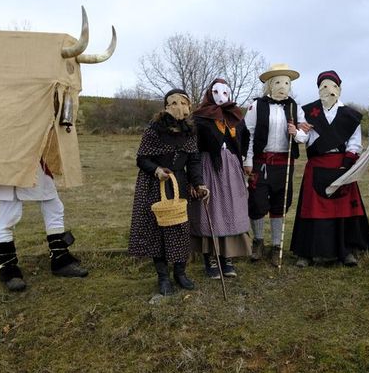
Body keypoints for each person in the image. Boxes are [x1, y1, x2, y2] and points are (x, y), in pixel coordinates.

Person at [129, 89, 209, 296]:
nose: (178, 107)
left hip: (179, 185)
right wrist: (156, 170)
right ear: (165, 107)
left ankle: (180, 274)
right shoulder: (154, 130)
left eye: (182, 103)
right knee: (158, 232)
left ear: (189, 107)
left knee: (181, 230)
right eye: (172, 103)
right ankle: (163, 277)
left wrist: (199, 184)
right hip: (155, 184)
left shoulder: (190, 132)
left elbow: (193, 161)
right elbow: (142, 158)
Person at [289, 71, 369, 267]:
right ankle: (307, 253)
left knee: (342, 209)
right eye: (324, 86)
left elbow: (355, 144)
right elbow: (304, 138)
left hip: (342, 165)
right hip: (317, 164)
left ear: (339, 89)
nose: (329, 90)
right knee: (312, 210)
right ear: (318, 89)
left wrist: (347, 164)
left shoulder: (350, 115)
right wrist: (296, 132)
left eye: (333, 86)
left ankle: (346, 252)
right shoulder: (308, 111)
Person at [242, 63, 308, 267]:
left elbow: (304, 136)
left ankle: (277, 245)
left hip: (284, 163)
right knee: (258, 202)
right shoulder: (256, 106)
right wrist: (248, 160)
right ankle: (259, 241)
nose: (283, 86)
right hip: (261, 163)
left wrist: (295, 132)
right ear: (270, 84)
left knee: (281, 202)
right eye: (278, 82)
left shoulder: (294, 107)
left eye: (286, 83)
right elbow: (249, 134)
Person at [0, 164, 88, 292]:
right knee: (9, 215)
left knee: (53, 206)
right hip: (9, 163)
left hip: (33, 159)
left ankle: (60, 259)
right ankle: (9, 270)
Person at [188, 79, 252, 279]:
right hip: (209, 169)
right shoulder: (200, 118)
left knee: (229, 211)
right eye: (216, 91)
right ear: (209, 93)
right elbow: (194, 150)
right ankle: (211, 258)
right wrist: (195, 179)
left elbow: (245, 139)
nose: (221, 96)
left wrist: (240, 158)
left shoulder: (235, 117)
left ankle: (227, 257)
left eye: (225, 92)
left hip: (231, 171)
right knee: (212, 212)